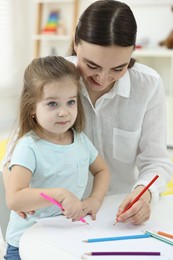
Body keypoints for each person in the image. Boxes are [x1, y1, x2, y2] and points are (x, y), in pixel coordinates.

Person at [3, 0, 173, 226]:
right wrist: (18, 195)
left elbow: (155, 161)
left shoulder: (148, 84)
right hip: (52, 217)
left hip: (116, 213)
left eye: (118, 68)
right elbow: (13, 153)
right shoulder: (52, 78)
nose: (102, 79)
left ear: (132, 52)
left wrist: (145, 194)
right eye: (92, 65)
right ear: (76, 43)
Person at [3, 56, 110, 260]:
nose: (64, 112)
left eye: (71, 102)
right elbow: (14, 198)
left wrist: (95, 199)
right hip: (26, 244)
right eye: (52, 104)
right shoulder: (29, 146)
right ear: (32, 107)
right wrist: (60, 194)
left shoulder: (79, 139)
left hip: (64, 238)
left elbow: (102, 170)